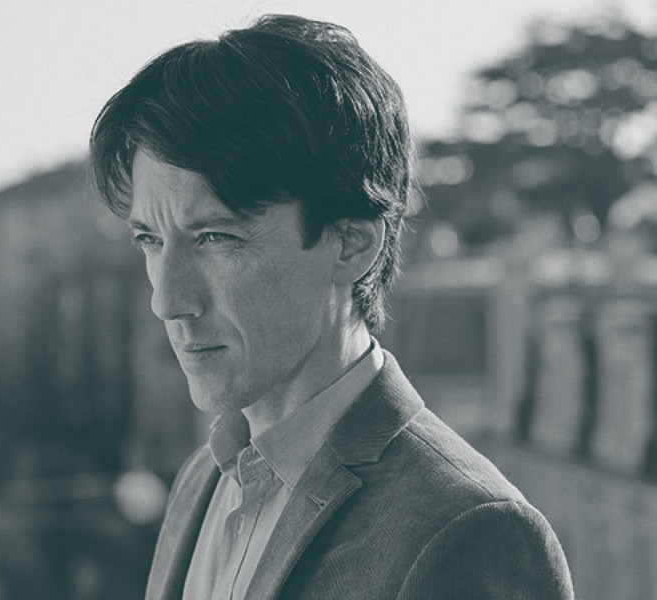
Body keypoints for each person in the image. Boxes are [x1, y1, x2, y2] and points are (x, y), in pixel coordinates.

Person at [90, 14, 574, 599]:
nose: (167, 301)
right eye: (150, 240)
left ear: (352, 244)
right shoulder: (202, 480)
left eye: (216, 238)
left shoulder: (472, 530)